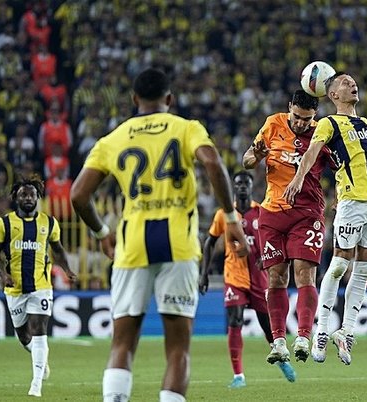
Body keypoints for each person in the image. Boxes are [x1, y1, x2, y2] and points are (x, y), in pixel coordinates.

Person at [70, 68, 248, 402]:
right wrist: (230, 217)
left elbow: (78, 195)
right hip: (178, 245)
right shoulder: (186, 128)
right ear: (169, 98)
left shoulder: (113, 139)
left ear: (134, 99)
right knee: (178, 348)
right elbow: (212, 162)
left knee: (122, 343)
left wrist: (102, 232)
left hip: (132, 246)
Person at [283, 72, 367, 365]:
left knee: (363, 269)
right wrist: (298, 179)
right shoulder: (329, 123)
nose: (352, 85)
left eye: (353, 82)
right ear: (333, 94)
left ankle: (346, 332)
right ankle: (322, 330)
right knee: (339, 264)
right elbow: (312, 151)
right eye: (345, 83)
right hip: (352, 202)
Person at [242, 89, 332, 365]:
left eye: (307, 118)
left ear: (315, 115)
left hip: (307, 213)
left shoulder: (323, 133)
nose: (301, 123)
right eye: (297, 116)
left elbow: (341, 169)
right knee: (276, 278)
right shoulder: (273, 123)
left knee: (305, 275)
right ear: (289, 106)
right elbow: (247, 160)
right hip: (271, 213)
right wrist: (256, 156)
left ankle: (303, 336)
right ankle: (279, 342)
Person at [199, 171, 296, 388]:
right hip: (234, 276)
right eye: (238, 183)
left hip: (259, 278)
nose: (242, 186)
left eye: (246, 183)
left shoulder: (261, 212)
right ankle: (238, 376)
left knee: (267, 325)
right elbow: (209, 242)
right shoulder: (224, 214)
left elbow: (276, 238)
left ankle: (280, 357)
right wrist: (204, 274)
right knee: (235, 321)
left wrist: (267, 256)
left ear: (251, 187)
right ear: (234, 187)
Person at [0, 175, 77, 397]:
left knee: (39, 330)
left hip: (41, 285)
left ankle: (36, 384)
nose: (28, 198)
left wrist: (67, 269)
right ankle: (41, 361)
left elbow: (57, 249)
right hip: (15, 288)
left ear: (38, 197)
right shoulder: (4, 223)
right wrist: (3, 274)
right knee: (23, 337)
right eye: (23, 195)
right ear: (16, 198)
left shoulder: (49, 223)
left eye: (32, 194)